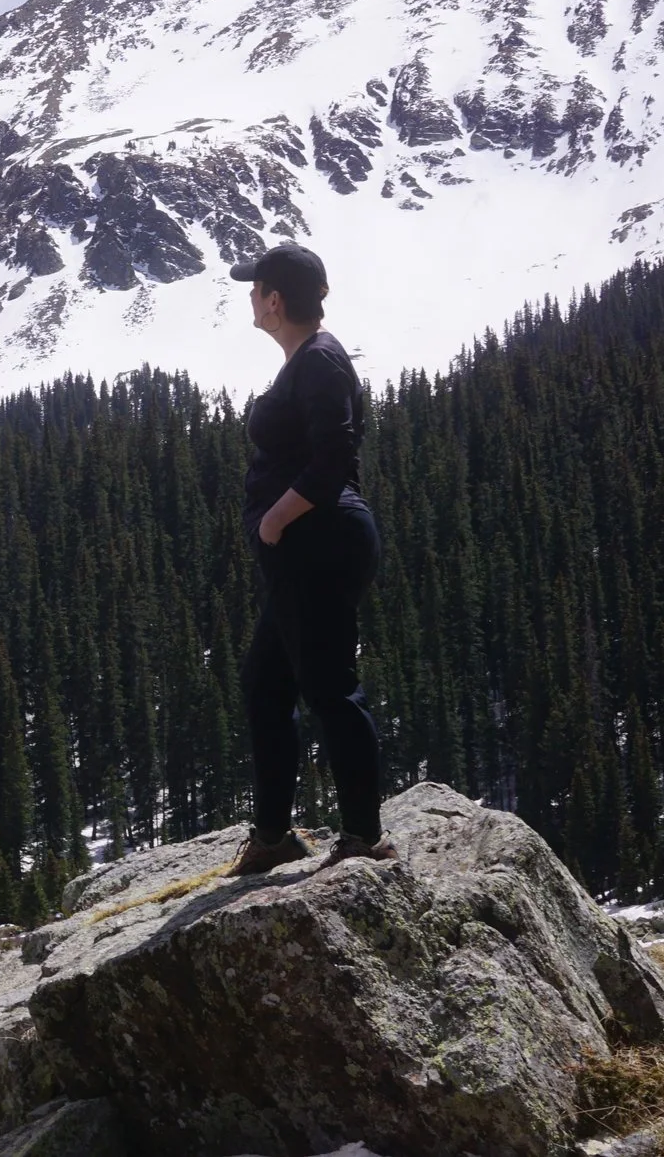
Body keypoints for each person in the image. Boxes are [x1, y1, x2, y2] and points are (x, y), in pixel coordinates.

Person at [225, 243, 397, 876]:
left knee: (329, 690)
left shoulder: (320, 362)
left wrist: (274, 518)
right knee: (265, 684)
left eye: (256, 288)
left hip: (320, 543)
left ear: (275, 300)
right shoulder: (307, 359)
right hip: (307, 547)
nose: (249, 297)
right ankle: (273, 837)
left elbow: (333, 459)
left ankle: (365, 837)